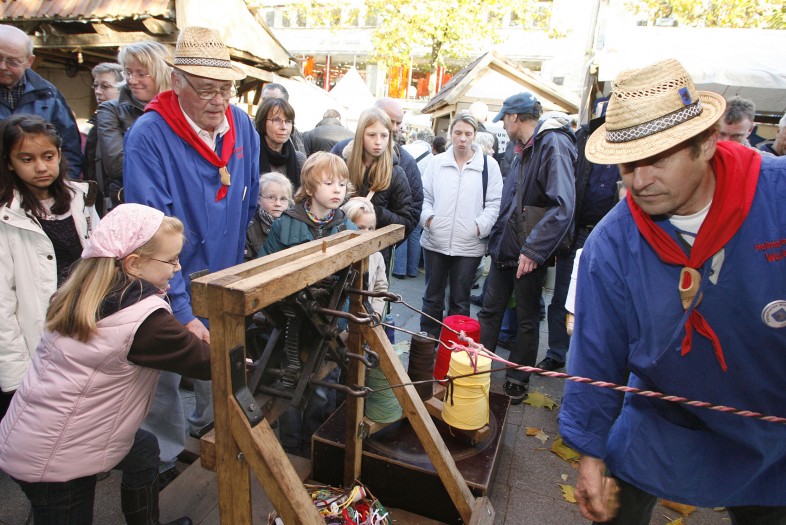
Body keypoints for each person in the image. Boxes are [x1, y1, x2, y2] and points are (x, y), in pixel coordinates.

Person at [559, 58, 786, 525]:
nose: (639, 181)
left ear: (707, 143)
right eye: (628, 164)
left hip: (771, 423)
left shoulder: (778, 198)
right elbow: (597, 355)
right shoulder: (610, 245)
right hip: (664, 418)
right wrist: (589, 454)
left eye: (657, 159)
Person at [0, 203, 207, 525]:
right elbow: (208, 364)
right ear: (134, 264)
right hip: (56, 456)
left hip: (41, 433)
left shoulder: (81, 293)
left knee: (143, 449)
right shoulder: (145, 321)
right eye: (171, 260)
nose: (177, 267)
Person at [122, 27, 259, 476]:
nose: (218, 101)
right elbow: (151, 233)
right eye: (205, 90)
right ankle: (158, 464)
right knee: (161, 377)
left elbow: (249, 199)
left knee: (219, 370)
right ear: (176, 82)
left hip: (223, 279)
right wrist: (180, 308)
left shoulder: (242, 125)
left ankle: (210, 440)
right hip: (163, 281)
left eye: (225, 89)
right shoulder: (150, 134)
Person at [477, 91, 576, 405]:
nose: (503, 125)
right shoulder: (523, 147)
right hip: (506, 247)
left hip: (528, 252)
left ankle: (517, 380)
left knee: (526, 319)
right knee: (490, 311)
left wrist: (534, 250)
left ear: (514, 117)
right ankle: (477, 369)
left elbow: (563, 206)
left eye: (504, 118)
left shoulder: (553, 143)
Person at [0, 114, 100, 420]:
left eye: (48, 156)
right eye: (27, 159)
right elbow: (3, 304)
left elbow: (100, 264)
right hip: (37, 345)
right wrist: (16, 377)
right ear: (9, 163)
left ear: (59, 154)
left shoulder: (81, 199)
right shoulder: (6, 217)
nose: (41, 167)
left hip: (83, 334)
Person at [258, 151, 354, 456]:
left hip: (330, 321)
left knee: (324, 386)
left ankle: (315, 444)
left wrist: (346, 319)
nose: (338, 189)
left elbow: (357, 279)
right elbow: (264, 266)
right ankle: (290, 446)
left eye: (342, 184)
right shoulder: (286, 224)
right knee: (289, 380)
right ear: (310, 188)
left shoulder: (346, 226)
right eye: (329, 183)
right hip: (292, 320)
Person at [538, 97, 620, 372]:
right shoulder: (584, 137)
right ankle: (556, 352)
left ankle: (594, 361)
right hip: (578, 233)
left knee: (603, 301)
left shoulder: (630, 144)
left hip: (611, 236)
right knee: (563, 296)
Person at [419, 112, 502, 338]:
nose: (462, 138)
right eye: (458, 133)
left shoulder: (488, 165)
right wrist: (429, 219)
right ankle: (427, 343)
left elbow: (494, 203)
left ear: (474, 135)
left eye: (467, 133)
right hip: (435, 240)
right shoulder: (437, 162)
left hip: (469, 244)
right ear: (450, 134)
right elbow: (424, 196)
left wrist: (479, 227)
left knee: (460, 300)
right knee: (432, 298)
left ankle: (455, 346)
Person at [96, 41, 172, 210]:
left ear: (161, 73)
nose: (132, 80)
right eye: (128, 72)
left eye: (141, 74)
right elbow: (116, 165)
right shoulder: (111, 110)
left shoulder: (181, 108)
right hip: (133, 204)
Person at [0, 25, 83, 179]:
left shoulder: (48, 94)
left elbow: (70, 148)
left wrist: (63, 186)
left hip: (38, 188)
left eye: (12, 62)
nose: (2, 66)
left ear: (29, 61)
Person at [337, 107, 414, 268]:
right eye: (372, 135)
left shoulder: (396, 174)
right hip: (340, 252)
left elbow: (406, 223)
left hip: (376, 256)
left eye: (384, 135)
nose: (378, 141)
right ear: (361, 135)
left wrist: (375, 211)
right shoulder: (343, 167)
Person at [83, 62, 122, 215]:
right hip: (99, 205)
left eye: (105, 86)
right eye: (95, 86)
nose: (98, 92)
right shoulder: (95, 127)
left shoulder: (131, 125)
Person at [341, 196, 388, 316]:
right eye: (360, 228)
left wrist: (376, 313)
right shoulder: (339, 257)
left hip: (365, 317)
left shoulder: (376, 256)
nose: (367, 233)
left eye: (370, 228)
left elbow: (380, 288)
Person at [254, 97, 306, 189]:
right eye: (276, 120)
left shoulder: (300, 160)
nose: (284, 127)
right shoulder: (251, 157)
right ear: (262, 122)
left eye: (288, 121)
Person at [245, 171, 293, 260]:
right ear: (258, 199)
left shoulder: (295, 225)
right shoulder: (248, 229)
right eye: (271, 197)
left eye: (283, 199)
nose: (278, 204)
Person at [261, 82, 306, 155]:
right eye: (265, 100)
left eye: (274, 100)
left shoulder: (292, 133)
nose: (268, 105)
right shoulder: (250, 128)